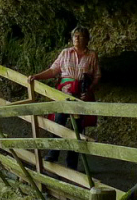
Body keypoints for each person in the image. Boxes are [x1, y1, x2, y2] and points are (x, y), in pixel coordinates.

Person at [27, 26, 101, 170]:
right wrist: (37, 76)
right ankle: (53, 154)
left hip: (81, 94)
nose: (76, 39)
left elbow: (97, 75)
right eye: (74, 36)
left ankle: (72, 163)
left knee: (78, 128)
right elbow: (54, 70)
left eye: (80, 36)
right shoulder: (65, 53)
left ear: (87, 39)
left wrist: (90, 89)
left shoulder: (92, 55)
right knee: (59, 121)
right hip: (64, 92)